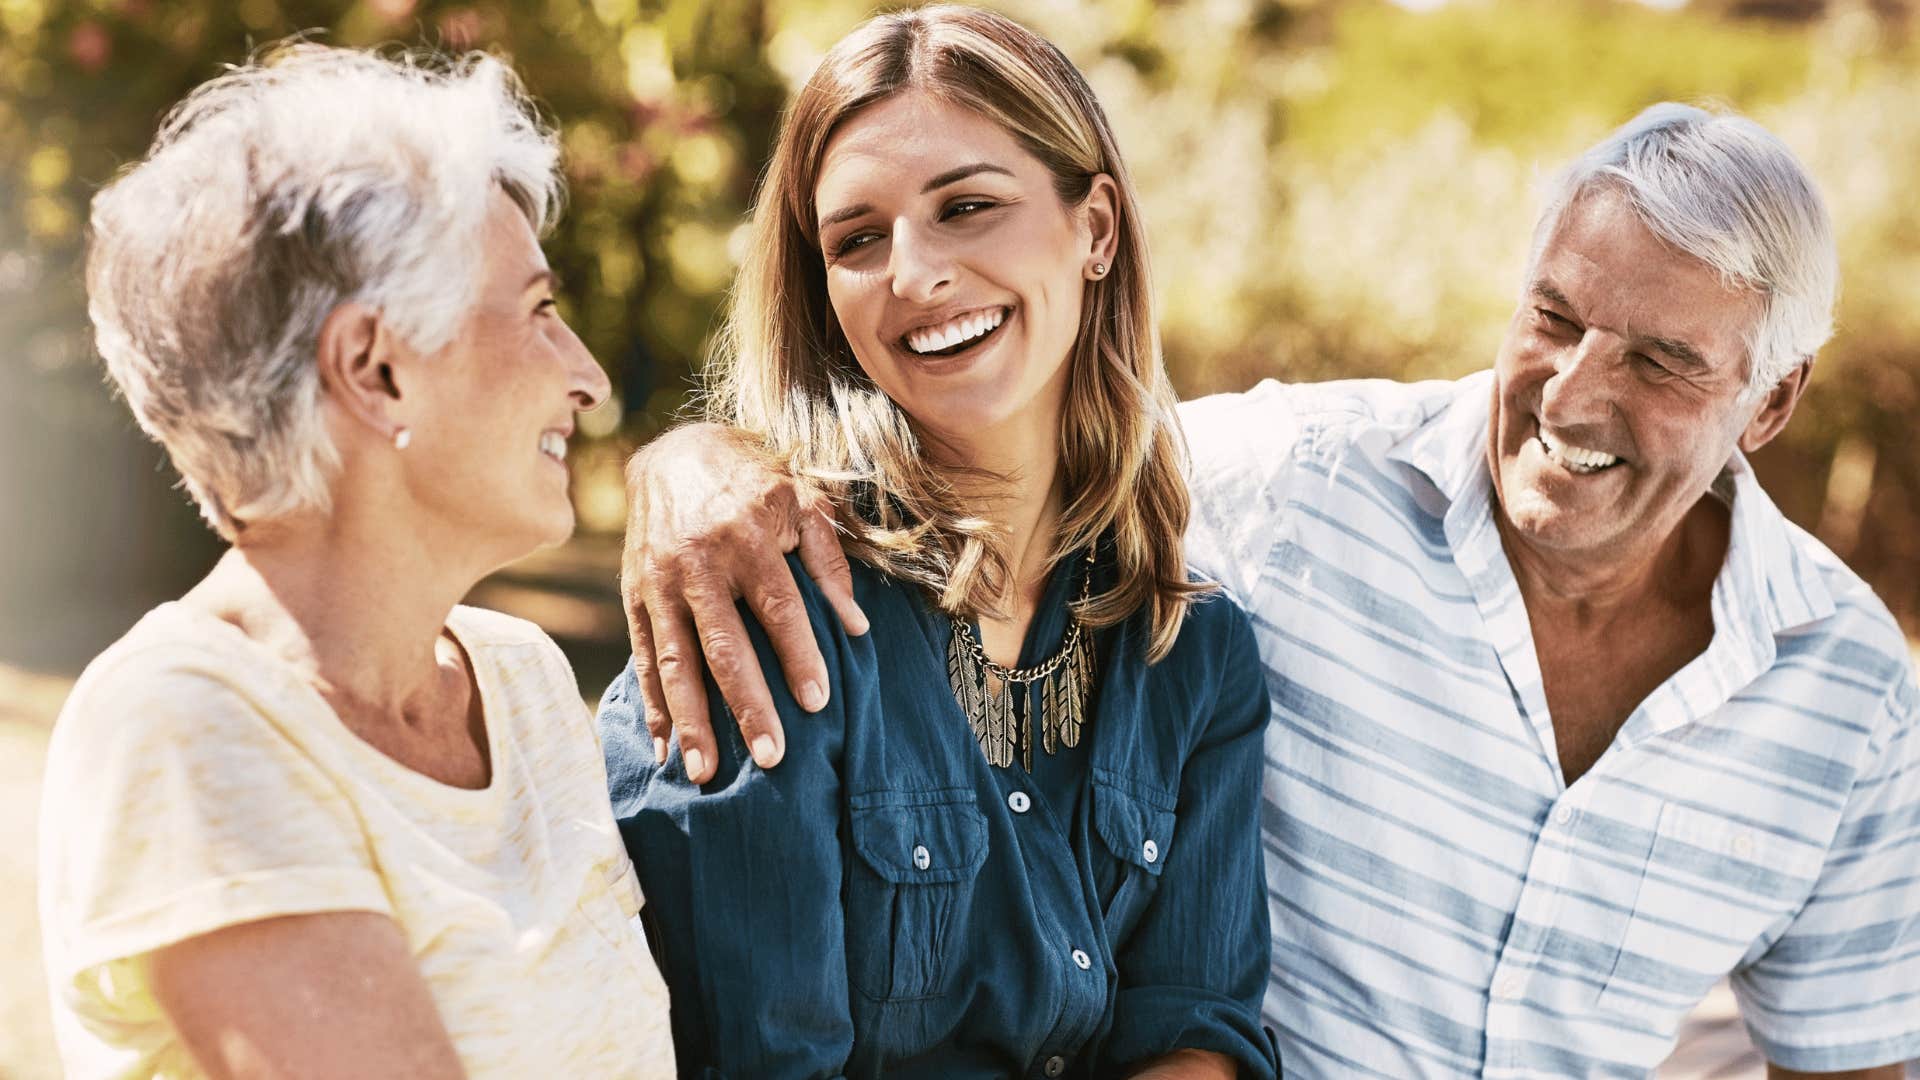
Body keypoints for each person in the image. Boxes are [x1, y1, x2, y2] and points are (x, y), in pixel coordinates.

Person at [619, 100, 1920, 1077]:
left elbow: (1854, 1060)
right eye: (1555, 318)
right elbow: (993, 436)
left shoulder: (1851, 696)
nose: (1576, 394)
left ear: (1772, 402)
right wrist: (693, 464)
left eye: (1661, 361)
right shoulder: (1286, 479)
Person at [596, 7, 1277, 1078]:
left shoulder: (1191, 653)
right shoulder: (767, 605)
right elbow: (761, 1059)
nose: (913, 273)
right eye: (858, 239)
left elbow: (1196, 1021)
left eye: (967, 207)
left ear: (1095, 228)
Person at [38, 46, 675, 1079]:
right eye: (540, 313)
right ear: (376, 371)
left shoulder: (521, 680)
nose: (588, 378)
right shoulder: (182, 723)